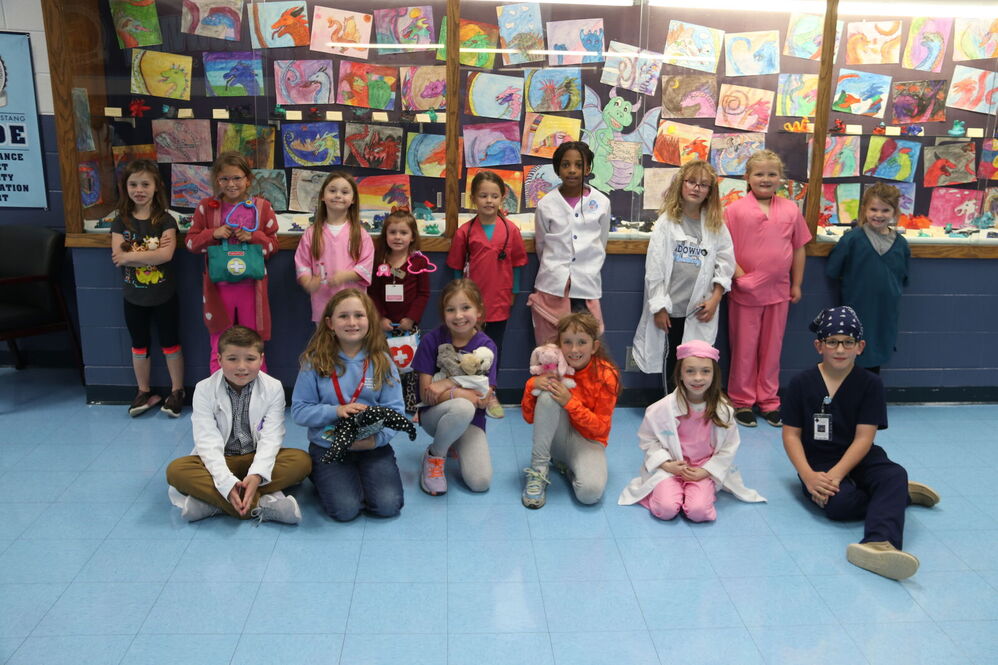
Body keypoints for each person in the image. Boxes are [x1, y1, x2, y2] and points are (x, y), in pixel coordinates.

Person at [781, 306, 939, 580]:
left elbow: (864, 438)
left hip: (860, 454)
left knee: (894, 473)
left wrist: (838, 473)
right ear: (819, 345)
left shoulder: (870, 384)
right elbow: (791, 435)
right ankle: (895, 496)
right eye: (832, 342)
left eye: (848, 342)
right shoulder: (800, 383)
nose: (840, 349)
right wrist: (808, 477)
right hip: (818, 460)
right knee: (840, 505)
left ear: (860, 346)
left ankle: (879, 544)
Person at [165, 326, 311, 523]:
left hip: (255, 456)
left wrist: (257, 475)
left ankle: (212, 504)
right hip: (221, 459)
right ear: (219, 360)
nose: (241, 366)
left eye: (250, 359)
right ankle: (257, 505)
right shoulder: (204, 389)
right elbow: (207, 441)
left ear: (261, 359)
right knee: (176, 470)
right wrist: (226, 482)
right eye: (232, 359)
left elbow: (271, 438)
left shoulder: (273, 388)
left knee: (302, 461)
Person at [291, 289, 406, 521]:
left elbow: (396, 413)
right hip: (329, 445)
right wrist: (336, 411)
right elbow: (299, 411)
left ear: (370, 321)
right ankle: (324, 474)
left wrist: (375, 440)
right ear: (330, 323)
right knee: (345, 511)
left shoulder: (382, 362)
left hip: (373, 446)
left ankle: (357, 475)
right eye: (343, 316)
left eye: (359, 315)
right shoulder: (314, 362)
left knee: (388, 506)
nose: (351, 322)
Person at [618, 340, 764, 522]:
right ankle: (672, 494)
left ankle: (694, 493)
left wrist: (708, 471)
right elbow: (648, 440)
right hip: (672, 467)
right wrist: (665, 464)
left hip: (702, 469)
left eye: (705, 371)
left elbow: (729, 447)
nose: (698, 378)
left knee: (699, 513)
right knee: (666, 510)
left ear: (714, 375)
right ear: (680, 374)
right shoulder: (660, 409)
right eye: (690, 371)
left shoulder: (723, 410)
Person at [724, 149, 811, 428]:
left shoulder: (790, 209)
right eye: (759, 174)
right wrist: (740, 278)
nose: (765, 178)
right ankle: (741, 400)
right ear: (747, 177)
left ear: (780, 179)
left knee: (772, 348)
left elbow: (798, 248)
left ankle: (770, 401)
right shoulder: (734, 210)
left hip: (779, 292)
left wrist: (796, 283)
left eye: (772, 174)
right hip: (744, 292)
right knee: (744, 348)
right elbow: (723, 250)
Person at [631, 160, 735, 394]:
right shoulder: (666, 223)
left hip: (699, 309)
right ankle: (670, 405)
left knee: (695, 360)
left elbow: (726, 264)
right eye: (691, 182)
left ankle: (691, 406)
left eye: (704, 184)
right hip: (671, 309)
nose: (696, 188)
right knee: (672, 361)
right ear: (681, 184)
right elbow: (655, 270)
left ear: (710, 191)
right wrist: (658, 306)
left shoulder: (715, 225)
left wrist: (715, 299)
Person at [185, 151, 279, 373]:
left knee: (253, 343)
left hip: (251, 288)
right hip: (218, 288)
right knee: (219, 342)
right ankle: (218, 396)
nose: (231, 184)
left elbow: (274, 245)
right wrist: (213, 234)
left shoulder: (262, 207)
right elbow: (190, 243)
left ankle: (257, 394)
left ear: (248, 179)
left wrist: (255, 237)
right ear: (217, 180)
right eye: (224, 178)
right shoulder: (206, 207)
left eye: (237, 178)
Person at [447, 170, 528, 417]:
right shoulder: (465, 231)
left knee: (493, 350)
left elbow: (516, 265)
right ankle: (466, 393)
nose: (489, 201)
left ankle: (491, 393)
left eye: (494, 196)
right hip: (470, 303)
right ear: (473, 199)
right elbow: (456, 268)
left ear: (502, 198)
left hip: (500, 299)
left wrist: (514, 291)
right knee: (466, 348)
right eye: (483, 196)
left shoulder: (511, 230)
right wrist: (457, 301)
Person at [520, 311, 619, 508]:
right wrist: (532, 385)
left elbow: (600, 429)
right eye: (567, 342)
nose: (574, 349)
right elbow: (529, 418)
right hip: (557, 436)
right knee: (548, 395)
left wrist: (569, 402)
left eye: (582, 342)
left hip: (588, 441)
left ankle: (567, 466)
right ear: (559, 345)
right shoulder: (553, 369)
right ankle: (539, 467)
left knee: (589, 494)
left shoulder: (607, 375)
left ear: (594, 346)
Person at [110, 159, 185, 417]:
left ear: (156, 187)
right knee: (139, 345)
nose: (139, 189)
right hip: (134, 297)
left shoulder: (165, 220)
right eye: (133, 184)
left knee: (170, 344)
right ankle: (143, 391)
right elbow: (118, 255)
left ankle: (176, 391)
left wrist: (131, 254)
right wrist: (149, 252)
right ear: (125, 187)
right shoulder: (121, 222)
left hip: (164, 295)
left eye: (145, 184)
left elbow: (166, 255)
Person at [411, 279, 497, 496]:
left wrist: (448, 383)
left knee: (480, 482)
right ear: (443, 313)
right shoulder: (432, 341)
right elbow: (426, 394)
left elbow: (482, 398)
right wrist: (460, 393)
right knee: (463, 407)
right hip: (435, 417)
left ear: (479, 311)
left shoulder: (487, 347)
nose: (458, 316)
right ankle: (435, 455)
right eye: (451, 310)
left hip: (472, 421)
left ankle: (454, 443)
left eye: (466, 308)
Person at [528, 141, 611, 346]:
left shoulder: (602, 202)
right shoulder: (546, 204)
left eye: (578, 165)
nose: (572, 170)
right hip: (553, 285)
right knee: (550, 348)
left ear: (588, 168)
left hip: (585, 285)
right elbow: (542, 245)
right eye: (565, 165)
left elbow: (601, 242)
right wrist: (557, 268)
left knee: (583, 348)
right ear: (557, 169)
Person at [826, 183, 910, 374]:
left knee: (878, 349)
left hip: (885, 311)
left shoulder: (900, 244)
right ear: (864, 209)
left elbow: (902, 276)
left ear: (894, 212)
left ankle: (868, 398)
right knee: (851, 352)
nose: (878, 215)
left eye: (885, 210)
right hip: (857, 308)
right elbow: (833, 270)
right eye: (873, 209)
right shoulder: (852, 240)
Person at [369, 209, 431, 414]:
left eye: (403, 232)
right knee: (385, 364)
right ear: (385, 235)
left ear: (412, 236)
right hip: (385, 325)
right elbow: (373, 293)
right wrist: (379, 317)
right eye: (392, 232)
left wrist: (411, 318)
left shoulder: (418, 262)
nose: (397, 237)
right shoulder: (379, 261)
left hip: (409, 326)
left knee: (411, 366)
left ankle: (410, 400)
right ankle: (386, 401)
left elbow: (423, 294)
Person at [295, 171, 374, 325]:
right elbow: (302, 264)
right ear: (323, 197)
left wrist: (346, 276)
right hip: (323, 306)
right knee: (325, 346)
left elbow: (366, 265)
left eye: (344, 192)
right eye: (332, 191)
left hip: (353, 306)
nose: (338, 195)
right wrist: (308, 282)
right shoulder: (311, 234)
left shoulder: (361, 235)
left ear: (353, 200)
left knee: (350, 345)